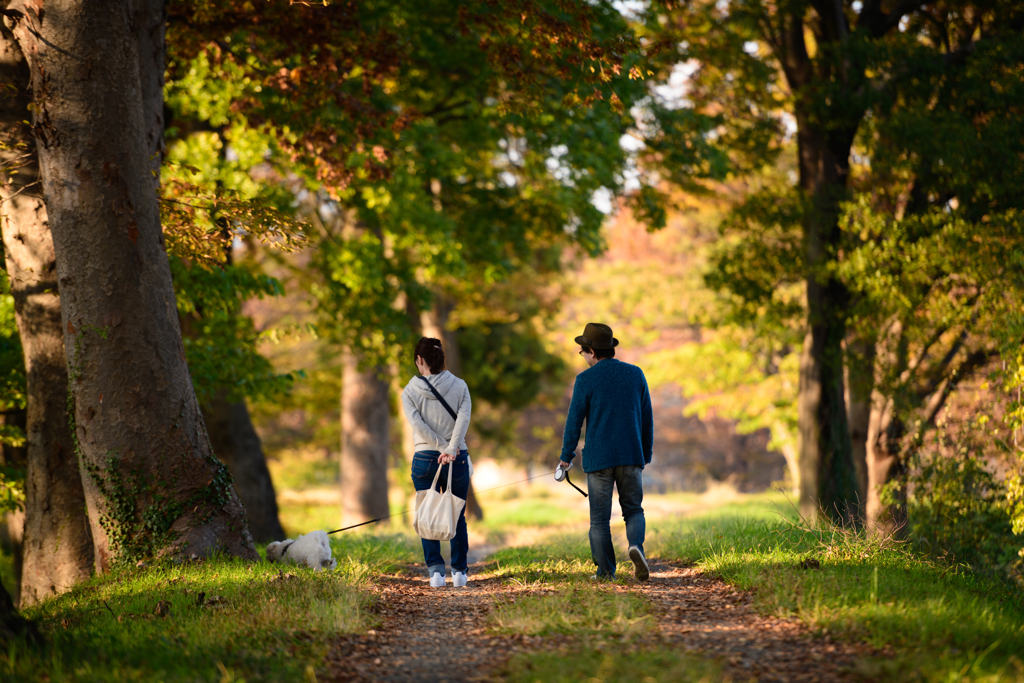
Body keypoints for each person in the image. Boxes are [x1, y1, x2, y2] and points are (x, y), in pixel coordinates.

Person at [557, 322, 653, 581]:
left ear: (591, 351)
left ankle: (605, 572)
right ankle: (635, 546)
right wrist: (645, 454)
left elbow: (574, 421)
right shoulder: (636, 374)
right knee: (634, 510)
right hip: (631, 454)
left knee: (599, 520)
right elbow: (647, 418)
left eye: (582, 351)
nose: (583, 356)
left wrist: (566, 457)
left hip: (599, 459)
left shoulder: (585, 379)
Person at [401, 336, 473, 588]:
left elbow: (418, 426)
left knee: (427, 511)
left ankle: (435, 573)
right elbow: (463, 419)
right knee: (458, 515)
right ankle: (460, 572)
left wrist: (441, 448)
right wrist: (451, 449)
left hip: (424, 458)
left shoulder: (409, 391)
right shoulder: (461, 386)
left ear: (420, 360)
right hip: (457, 458)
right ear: (442, 358)